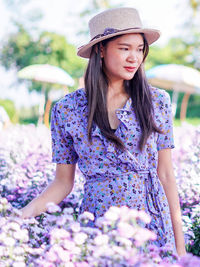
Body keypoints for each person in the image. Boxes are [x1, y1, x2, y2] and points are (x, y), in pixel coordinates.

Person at [19, 7, 186, 256]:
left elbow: (166, 175)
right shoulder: (67, 109)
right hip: (98, 223)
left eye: (140, 49)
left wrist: (180, 249)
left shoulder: (156, 100)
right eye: (124, 48)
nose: (134, 58)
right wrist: (18, 217)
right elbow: (63, 182)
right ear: (100, 49)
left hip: (152, 221)